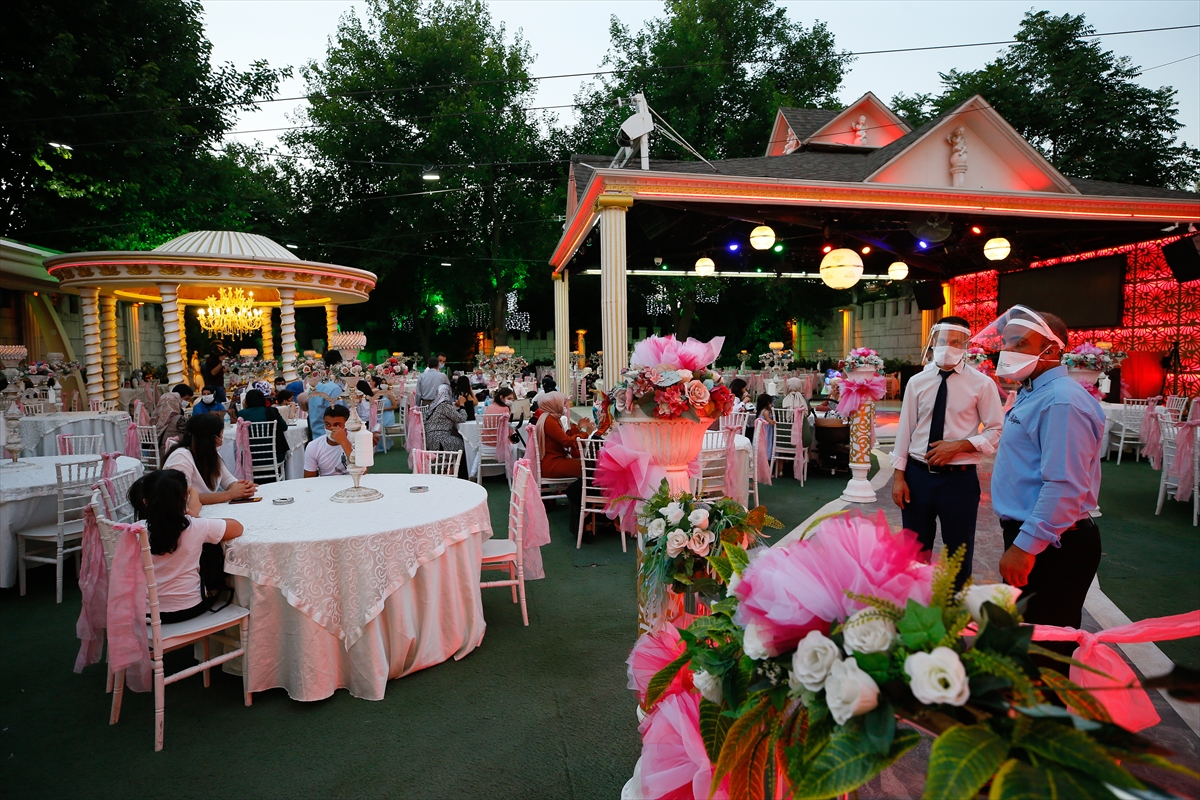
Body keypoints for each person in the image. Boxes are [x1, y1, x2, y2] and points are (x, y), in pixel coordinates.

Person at [974, 306, 1105, 661]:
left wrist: (1025, 547)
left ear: (1053, 349)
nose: (1008, 350)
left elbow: (1064, 484)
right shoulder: (1035, 392)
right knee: (1025, 647)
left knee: (1044, 655)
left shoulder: (1061, 400)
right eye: (1007, 342)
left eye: (1020, 342)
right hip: (1041, 536)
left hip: (1055, 543)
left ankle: (1046, 717)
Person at [890, 317, 1005, 588]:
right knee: (914, 552)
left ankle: (954, 614)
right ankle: (915, 608)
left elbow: (996, 430)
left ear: (965, 344)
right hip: (918, 478)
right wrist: (899, 477)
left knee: (958, 554)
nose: (948, 347)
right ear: (933, 342)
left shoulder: (981, 384)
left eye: (955, 342)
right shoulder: (917, 382)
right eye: (943, 341)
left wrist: (961, 445)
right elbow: (904, 431)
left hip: (959, 480)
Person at [128, 469, 244, 622]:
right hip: (189, 608)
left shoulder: (136, 530)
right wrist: (194, 515)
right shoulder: (196, 526)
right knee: (211, 550)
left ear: (145, 501)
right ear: (185, 498)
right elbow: (237, 527)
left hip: (146, 613)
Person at [162, 413, 257, 504]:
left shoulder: (211, 455)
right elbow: (182, 497)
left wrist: (243, 488)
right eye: (221, 435)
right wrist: (229, 494)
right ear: (212, 438)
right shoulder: (181, 458)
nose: (221, 440)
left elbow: (227, 480)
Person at [534, 391, 595, 527]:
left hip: (551, 461)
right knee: (589, 467)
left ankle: (582, 501)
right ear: (554, 405)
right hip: (552, 464)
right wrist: (586, 433)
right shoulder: (550, 421)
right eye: (562, 404)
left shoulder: (549, 418)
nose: (564, 407)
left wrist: (578, 428)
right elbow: (566, 442)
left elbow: (563, 438)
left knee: (588, 466)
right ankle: (585, 505)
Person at [235, 389, 290, 479]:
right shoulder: (272, 411)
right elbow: (284, 427)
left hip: (250, 458)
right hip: (274, 456)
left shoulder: (242, 414)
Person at [422, 384, 469, 477]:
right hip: (439, 439)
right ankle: (457, 471)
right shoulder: (444, 406)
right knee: (464, 443)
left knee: (456, 439)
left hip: (431, 438)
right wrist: (462, 405)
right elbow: (462, 418)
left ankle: (449, 465)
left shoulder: (435, 405)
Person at [304, 404, 357, 477]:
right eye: (328, 424)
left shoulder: (357, 440)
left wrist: (344, 442)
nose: (331, 428)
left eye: (337, 425)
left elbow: (361, 470)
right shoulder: (313, 446)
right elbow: (308, 478)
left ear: (347, 424)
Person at [307, 350, 343, 439]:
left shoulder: (316, 385)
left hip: (316, 435)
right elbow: (337, 417)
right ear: (338, 364)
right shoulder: (334, 389)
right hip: (330, 438)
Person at [152, 383, 193, 448]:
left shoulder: (157, 416)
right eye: (187, 399)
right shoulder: (178, 417)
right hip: (170, 450)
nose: (188, 402)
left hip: (157, 448)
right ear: (178, 398)